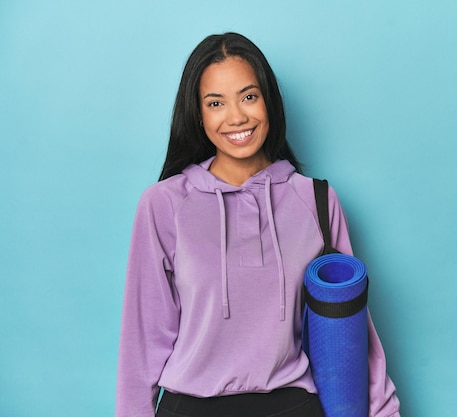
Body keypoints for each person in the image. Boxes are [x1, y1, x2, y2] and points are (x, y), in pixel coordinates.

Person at [116, 32, 401, 417]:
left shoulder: (316, 201)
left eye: (249, 96)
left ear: (269, 101)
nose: (236, 117)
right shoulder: (164, 204)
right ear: (198, 115)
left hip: (293, 405)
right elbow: (142, 342)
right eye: (216, 103)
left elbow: (350, 331)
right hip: (191, 408)